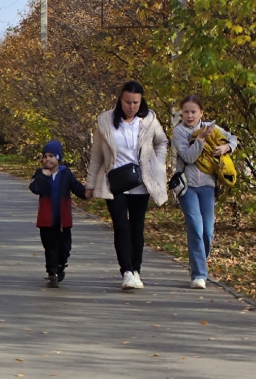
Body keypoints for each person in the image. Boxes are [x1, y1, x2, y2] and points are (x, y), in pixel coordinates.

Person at [85, 80, 169, 290]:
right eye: (128, 102)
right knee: (121, 226)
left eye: (136, 102)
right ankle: (127, 272)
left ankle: (137, 270)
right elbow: (96, 155)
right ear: (120, 100)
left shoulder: (149, 120)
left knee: (137, 227)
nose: (132, 106)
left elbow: (162, 142)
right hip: (114, 181)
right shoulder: (105, 121)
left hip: (141, 183)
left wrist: (157, 164)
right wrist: (89, 183)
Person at [173, 94, 238, 289]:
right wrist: (200, 139)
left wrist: (227, 147)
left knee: (207, 232)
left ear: (201, 112)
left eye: (193, 112)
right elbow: (189, 157)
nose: (190, 116)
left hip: (208, 186)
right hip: (187, 186)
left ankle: (198, 261)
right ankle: (199, 274)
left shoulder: (211, 128)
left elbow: (233, 138)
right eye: (186, 112)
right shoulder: (179, 132)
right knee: (195, 226)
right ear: (181, 114)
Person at [28, 140, 87, 287]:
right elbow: (36, 188)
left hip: (63, 219)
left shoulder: (66, 173)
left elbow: (78, 189)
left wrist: (89, 191)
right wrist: (44, 175)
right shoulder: (40, 174)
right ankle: (52, 273)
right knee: (50, 247)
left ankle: (61, 266)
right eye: (45, 156)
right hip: (46, 220)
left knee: (65, 248)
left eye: (51, 156)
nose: (47, 159)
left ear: (58, 158)